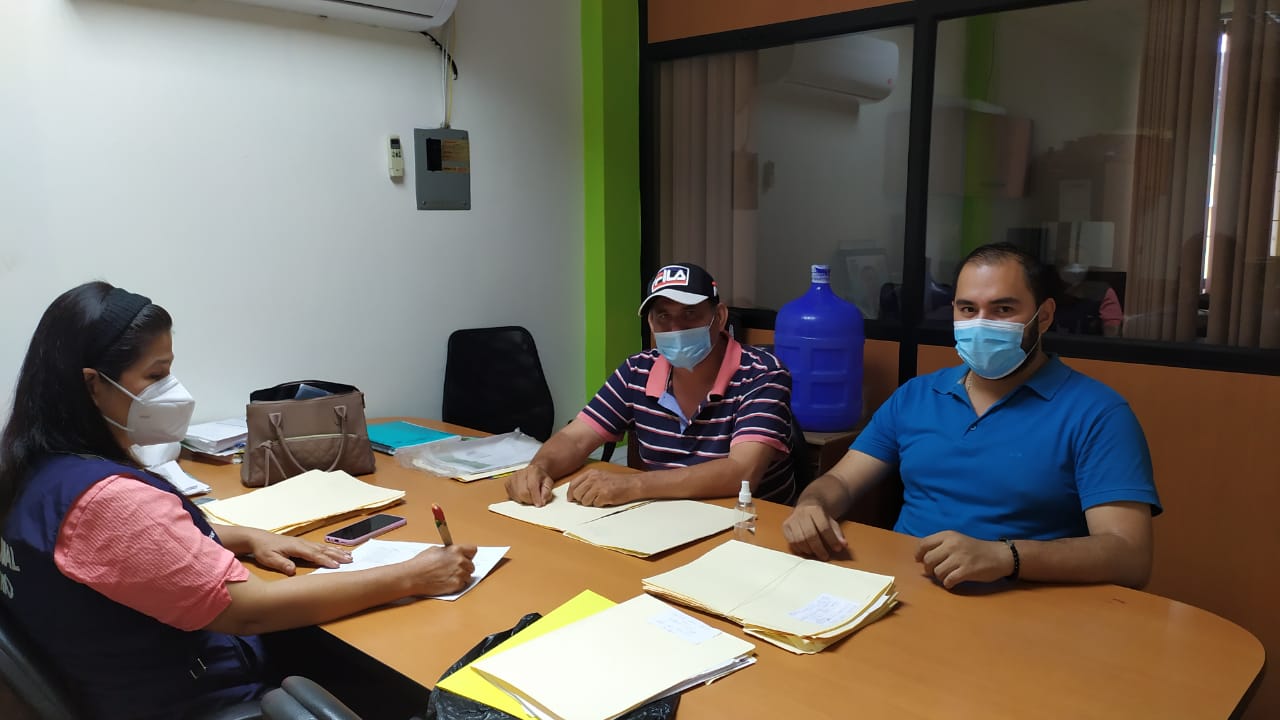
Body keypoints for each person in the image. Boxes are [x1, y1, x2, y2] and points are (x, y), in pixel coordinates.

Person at [0, 282, 478, 720]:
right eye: (155, 374)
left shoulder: (38, 468)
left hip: (119, 683)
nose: (171, 389)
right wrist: (413, 575)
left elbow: (111, 551)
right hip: (203, 698)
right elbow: (249, 609)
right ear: (92, 385)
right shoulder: (109, 501)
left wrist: (243, 537)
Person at [782, 243, 1161, 590]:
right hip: (903, 593)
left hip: (1024, 608)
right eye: (968, 309)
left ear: (1044, 316)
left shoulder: (1098, 413)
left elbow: (1129, 556)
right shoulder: (917, 396)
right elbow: (841, 482)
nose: (981, 324)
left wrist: (1006, 557)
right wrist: (813, 504)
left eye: (1003, 309)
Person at [505, 263, 796, 508]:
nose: (675, 328)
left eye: (690, 313)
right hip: (663, 521)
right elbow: (575, 439)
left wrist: (634, 485)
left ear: (719, 317)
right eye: (663, 316)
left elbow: (741, 472)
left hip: (748, 527)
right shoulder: (637, 370)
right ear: (651, 324)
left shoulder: (762, 374)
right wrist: (539, 468)